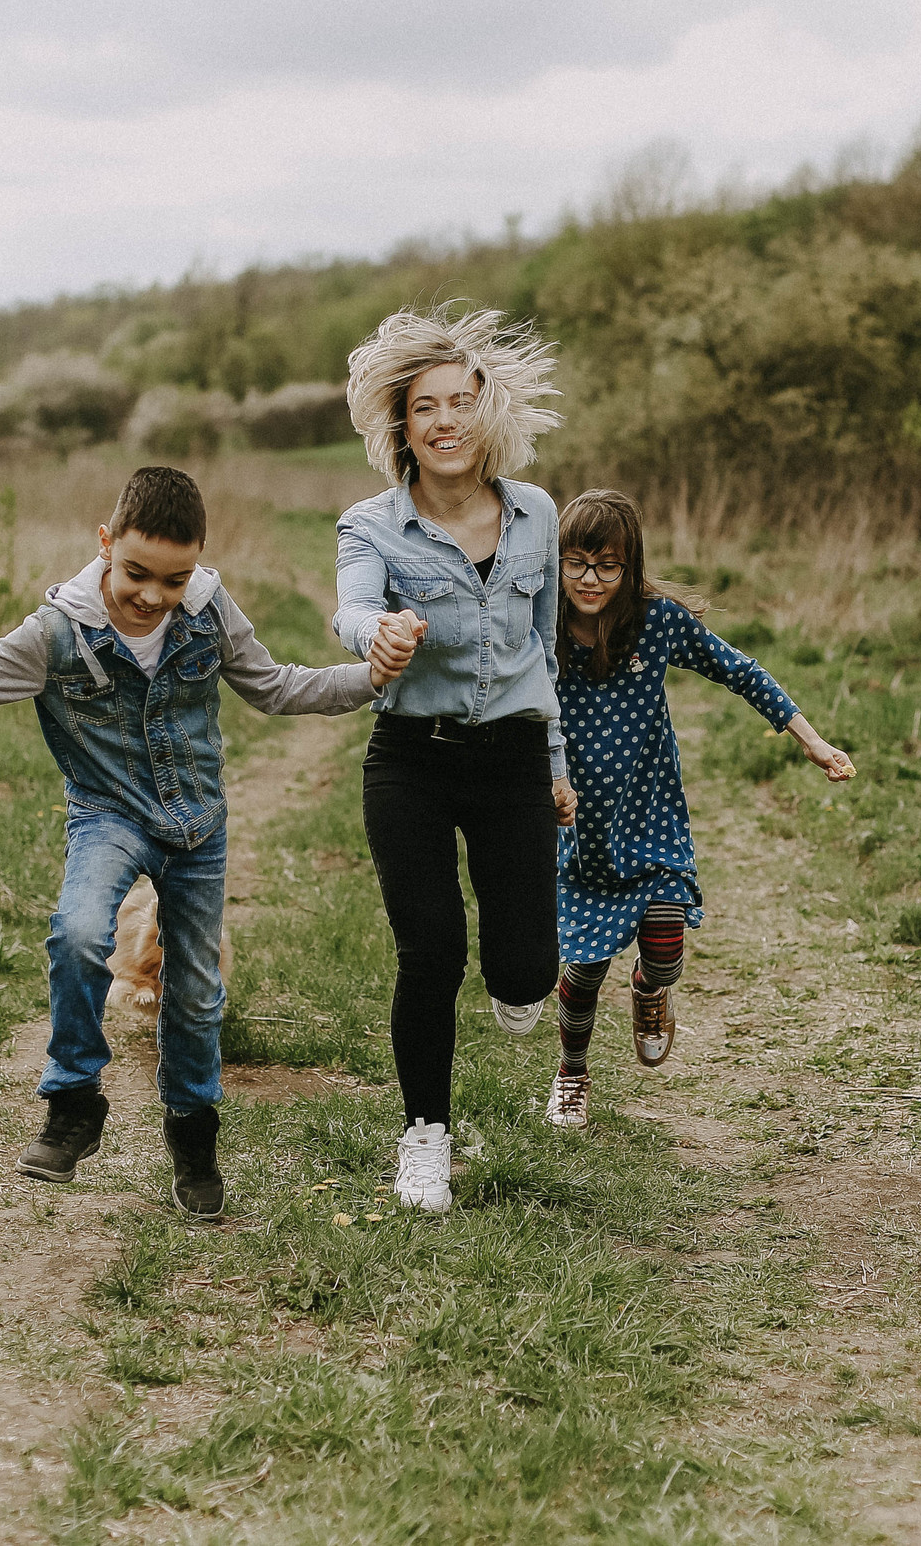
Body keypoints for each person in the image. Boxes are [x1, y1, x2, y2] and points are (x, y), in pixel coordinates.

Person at [0, 466, 414, 1216]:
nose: (151, 595)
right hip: (107, 815)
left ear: (198, 564)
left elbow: (275, 686)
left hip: (197, 826)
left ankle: (192, 1133)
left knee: (197, 992)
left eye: (173, 579)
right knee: (79, 933)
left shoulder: (208, 612)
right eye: (136, 571)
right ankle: (74, 1103)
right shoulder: (55, 635)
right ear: (106, 544)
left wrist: (368, 679)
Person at [332, 304, 574, 1214]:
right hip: (413, 761)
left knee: (522, 971)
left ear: (489, 413)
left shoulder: (536, 515)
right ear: (401, 425)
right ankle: (424, 1136)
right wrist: (381, 634)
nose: (444, 420)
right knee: (429, 950)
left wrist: (557, 760)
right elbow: (350, 610)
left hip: (513, 757)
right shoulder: (371, 526)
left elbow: (544, 650)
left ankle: (519, 985)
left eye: (461, 402)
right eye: (425, 406)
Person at [542, 489, 854, 1129]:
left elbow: (741, 672)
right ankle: (572, 1071)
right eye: (576, 562)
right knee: (583, 972)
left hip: (649, 815)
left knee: (663, 944)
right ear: (557, 562)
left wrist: (813, 742)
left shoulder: (655, 623)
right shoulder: (541, 626)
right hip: (580, 832)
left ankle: (651, 991)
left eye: (608, 566)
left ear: (630, 568)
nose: (590, 580)